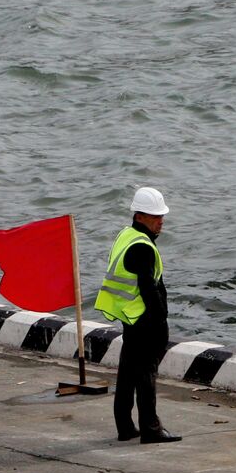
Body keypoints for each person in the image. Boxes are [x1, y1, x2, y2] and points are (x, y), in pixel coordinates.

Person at [95, 186, 180, 445]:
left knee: (128, 373)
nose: (160, 221)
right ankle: (151, 429)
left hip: (129, 317)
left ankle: (125, 426)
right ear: (140, 216)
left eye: (162, 216)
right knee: (145, 375)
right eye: (155, 216)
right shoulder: (142, 246)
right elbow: (148, 288)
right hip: (144, 319)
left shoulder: (127, 235)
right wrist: (161, 320)